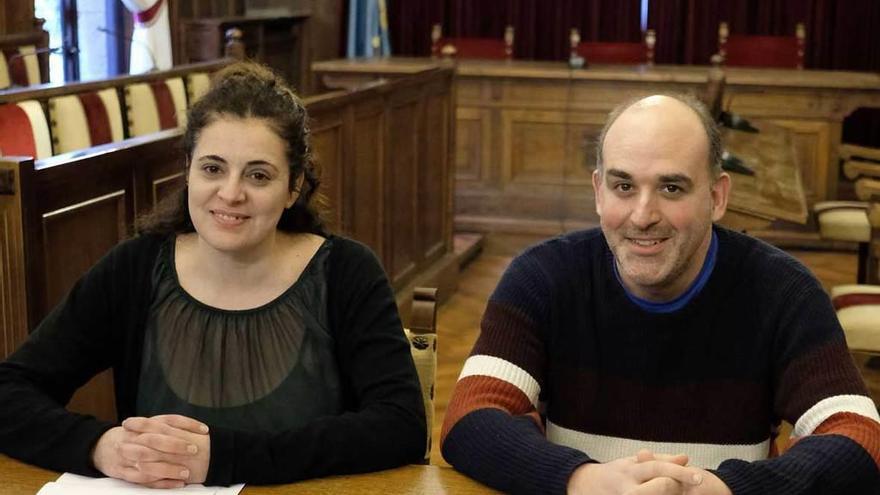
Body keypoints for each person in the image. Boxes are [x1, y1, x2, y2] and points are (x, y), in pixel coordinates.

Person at [0, 62, 426, 488]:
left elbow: (400, 425)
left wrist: (225, 458)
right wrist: (100, 445)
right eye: (212, 168)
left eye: (258, 175)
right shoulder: (136, 268)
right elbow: (9, 391)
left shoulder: (347, 272)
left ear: (294, 187)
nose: (231, 193)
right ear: (187, 169)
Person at [440, 94, 880, 495]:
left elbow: (859, 436)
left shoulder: (784, 292)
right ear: (598, 192)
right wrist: (584, 480)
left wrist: (728, 491)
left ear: (717, 196)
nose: (643, 215)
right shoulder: (543, 277)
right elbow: (469, 417)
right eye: (624, 186)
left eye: (672, 188)